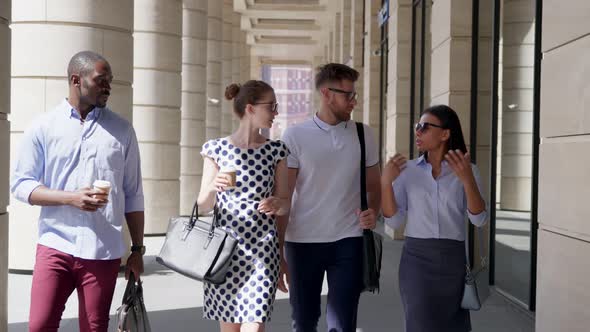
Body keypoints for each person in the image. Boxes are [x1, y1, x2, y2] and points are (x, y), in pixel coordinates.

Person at [10, 51, 145, 332]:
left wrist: (137, 250)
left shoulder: (122, 131)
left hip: (102, 251)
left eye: (110, 80)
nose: (108, 86)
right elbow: (21, 185)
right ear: (76, 79)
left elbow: (133, 193)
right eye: (101, 80)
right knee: (39, 326)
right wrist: (71, 198)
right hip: (55, 246)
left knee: (94, 329)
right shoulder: (43, 127)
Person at [278, 63, 382, 332]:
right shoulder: (295, 135)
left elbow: (374, 185)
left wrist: (374, 210)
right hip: (302, 242)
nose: (354, 101)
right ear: (326, 93)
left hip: (349, 239)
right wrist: (278, 251)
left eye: (354, 95)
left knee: (343, 322)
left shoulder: (363, 134)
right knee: (304, 320)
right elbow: (285, 197)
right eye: (348, 95)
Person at [381, 104, 488, 332]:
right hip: (416, 261)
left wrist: (467, 180)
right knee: (419, 323)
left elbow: (479, 220)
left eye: (424, 127)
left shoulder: (468, 171)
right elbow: (394, 221)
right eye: (416, 127)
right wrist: (385, 183)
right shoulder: (407, 171)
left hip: (454, 261)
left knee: (453, 326)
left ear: (445, 134)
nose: (417, 132)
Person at [197, 80, 290, 332]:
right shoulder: (216, 149)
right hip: (225, 254)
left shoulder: (276, 151)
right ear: (250, 108)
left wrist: (277, 203)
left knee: (254, 327)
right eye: (271, 106)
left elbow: (285, 206)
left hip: (263, 252)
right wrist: (213, 185)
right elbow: (203, 205)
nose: (276, 112)